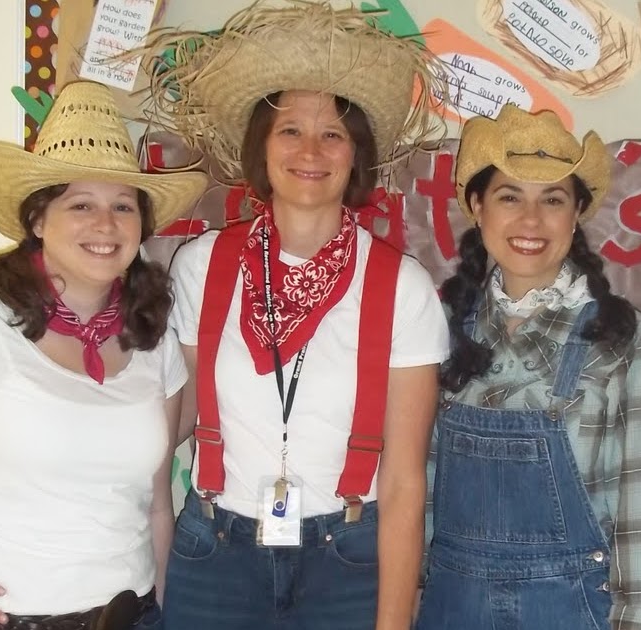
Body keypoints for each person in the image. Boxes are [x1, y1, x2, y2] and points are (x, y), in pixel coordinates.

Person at [136, 2, 450, 629]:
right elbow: (179, 417)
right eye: (290, 130)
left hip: (348, 560)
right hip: (215, 552)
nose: (312, 149)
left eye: (333, 132)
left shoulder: (402, 287)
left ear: (355, 154)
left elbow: (404, 484)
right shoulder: (202, 266)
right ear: (262, 147)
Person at [0, 81, 208, 630]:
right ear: (37, 221)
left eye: (123, 205)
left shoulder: (152, 336)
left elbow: (156, 504)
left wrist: (168, 611)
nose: (106, 224)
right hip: (4, 619)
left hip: (132, 615)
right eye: (80, 204)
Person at [417, 104, 641, 630]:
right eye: (510, 196)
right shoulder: (436, 328)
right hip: (450, 606)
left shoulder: (622, 337)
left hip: (576, 610)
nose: (530, 221)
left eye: (552, 199)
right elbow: (417, 485)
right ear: (476, 204)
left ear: (576, 212)